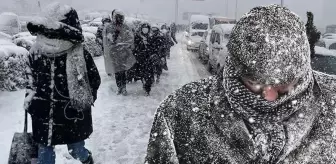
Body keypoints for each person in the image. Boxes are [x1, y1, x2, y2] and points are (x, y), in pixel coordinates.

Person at [145, 5, 336, 163]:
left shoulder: (332, 101)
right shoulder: (181, 111)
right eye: (254, 83)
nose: (269, 97)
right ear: (235, 69)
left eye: (283, 85)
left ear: (302, 72)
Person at [24, 2, 100, 164]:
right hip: (43, 115)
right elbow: (30, 80)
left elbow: (94, 79)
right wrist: (30, 101)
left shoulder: (79, 54)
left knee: (76, 150)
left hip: (72, 114)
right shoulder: (36, 52)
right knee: (44, 155)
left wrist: (84, 99)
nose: (51, 37)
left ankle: (87, 159)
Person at [103, 9, 136, 95]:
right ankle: (119, 87)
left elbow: (130, 39)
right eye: (116, 17)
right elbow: (107, 40)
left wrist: (123, 45)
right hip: (114, 53)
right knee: (117, 71)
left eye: (119, 17)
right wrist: (113, 41)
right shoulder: (109, 27)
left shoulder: (126, 27)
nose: (118, 19)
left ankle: (123, 88)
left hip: (123, 52)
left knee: (123, 71)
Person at [134, 23, 154, 96]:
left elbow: (154, 47)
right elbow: (134, 47)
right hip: (140, 59)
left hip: (149, 59)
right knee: (142, 74)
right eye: (143, 28)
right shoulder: (137, 37)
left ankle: (147, 88)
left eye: (146, 28)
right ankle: (144, 83)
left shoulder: (151, 37)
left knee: (148, 75)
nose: (145, 30)